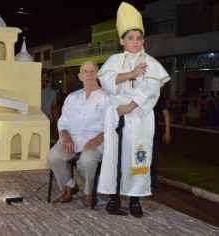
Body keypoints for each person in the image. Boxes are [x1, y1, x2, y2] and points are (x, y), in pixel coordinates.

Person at [97, 2, 170, 218]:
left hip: (139, 117)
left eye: (139, 38)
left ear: (143, 40)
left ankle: (135, 200)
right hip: (116, 116)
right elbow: (107, 81)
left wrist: (128, 107)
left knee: (138, 157)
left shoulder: (150, 63)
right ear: (122, 40)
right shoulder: (114, 60)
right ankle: (114, 198)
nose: (135, 42)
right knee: (115, 156)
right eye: (130, 38)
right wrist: (130, 74)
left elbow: (151, 90)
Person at [47, 61, 109, 206]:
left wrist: (98, 138)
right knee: (53, 156)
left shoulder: (107, 97)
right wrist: (67, 138)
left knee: (87, 160)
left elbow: (112, 125)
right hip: (72, 138)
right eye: (85, 71)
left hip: (96, 140)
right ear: (80, 76)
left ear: (98, 74)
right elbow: (63, 123)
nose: (89, 74)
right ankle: (70, 185)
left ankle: (89, 192)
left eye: (93, 71)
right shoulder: (72, 97)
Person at [151, 91, 171, 192]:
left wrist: (167, 132)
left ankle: (153, 185)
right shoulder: (138, 89)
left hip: (152, 132)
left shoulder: (157, 93)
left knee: (152, 158)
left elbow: (165, 113)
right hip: (137, 132)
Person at [41, 70, 59, 140]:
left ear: (49, 78)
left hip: (47, 123)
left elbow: (53, 108)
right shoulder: (34, 90)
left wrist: (57, 123)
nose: (45, 79)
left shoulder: (52, 92)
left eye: (47, 77)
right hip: (35, 121)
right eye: (43, 77)